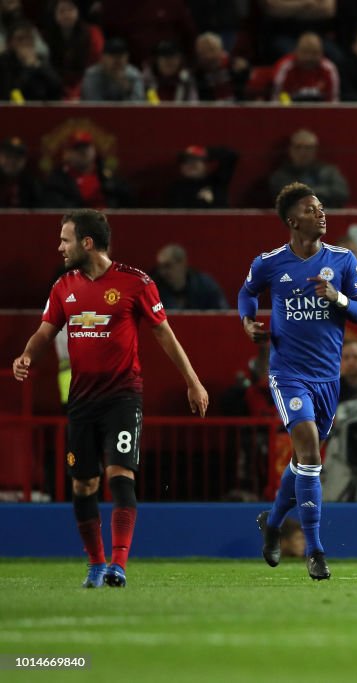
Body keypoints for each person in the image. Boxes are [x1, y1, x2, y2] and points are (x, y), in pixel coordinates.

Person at [12, 209, 209, 588]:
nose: (59, 247)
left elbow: (164, 334)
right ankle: (96, 564)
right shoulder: (63, 286)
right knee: (83, 486)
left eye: (65, 239)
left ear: (87, 243)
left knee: (120, 477)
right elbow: (44, 331)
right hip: (81, 403)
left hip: (122, 398)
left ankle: (118, 564)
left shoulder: (135, 282)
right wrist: (26, 355)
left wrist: (193, 381)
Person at [242, 182, 357, 580]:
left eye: (321, 207)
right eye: (312, 209)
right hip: (288, 374)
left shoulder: (344, 261)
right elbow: (247, 292)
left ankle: (275, 522)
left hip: (327, 379)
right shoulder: (271, 262)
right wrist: (247, 322)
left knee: (303, 462)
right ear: (292, 221)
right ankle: (316, 551)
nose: (321, 214)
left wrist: (338, 298)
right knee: (310, 452)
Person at [41, 130, 134, 209]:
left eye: (86, 147)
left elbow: (126, 202)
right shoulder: (57, 181)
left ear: (94, 150)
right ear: (66, 154)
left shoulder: (108, 177)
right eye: (77, 149)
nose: (83, 152)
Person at [269, 129, 350, 209]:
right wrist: (321, 193)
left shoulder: (329, 172)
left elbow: (341, 194)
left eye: (308, 148)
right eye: (298, 147)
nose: (303, 152)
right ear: (290, 150)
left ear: (315, 150)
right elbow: (286, 199)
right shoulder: (280, 176)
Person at [42, 0, 104, 97]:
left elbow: (96, 64)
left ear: (78, 12)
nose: (66, 14)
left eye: (70, 9)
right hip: (57, 85)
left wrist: (77, 92)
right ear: (54, 14)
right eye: (62, 11)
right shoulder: (46, 36)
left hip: (86, 82)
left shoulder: (93, 33)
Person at [152, 243, 229, 310]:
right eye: (160, 267)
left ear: (182, 263)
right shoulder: (154, 288)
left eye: (168, 266)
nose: (163, 272)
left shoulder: (205, 286)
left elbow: (222, 314)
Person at [0, 20, 63, 101]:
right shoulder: (4, 61)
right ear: (10, 42)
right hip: (15, 109)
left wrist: (38, 66)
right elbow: (11, 93)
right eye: (20, 39)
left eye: (29, 38)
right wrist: (28, 68)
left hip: (42, 107)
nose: (26, 42)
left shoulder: (40, 59)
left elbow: (57, 86)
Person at [271, 32, 340, 103]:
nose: (309, 57)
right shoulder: (285, 67)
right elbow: (278, 97)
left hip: (320, 112)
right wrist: (289, 106)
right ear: (296, 51)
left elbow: (333, 101)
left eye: (314, 53)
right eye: (305, 52)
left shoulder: (329, 69)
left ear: (321, 53)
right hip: (290, 110)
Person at [166, 144, 238, 209]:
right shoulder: (177, 189)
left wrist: (206, 152)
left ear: (206, 165)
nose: (190, 165)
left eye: (195, 161)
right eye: (186, 162)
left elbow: (231, 156)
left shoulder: (217, 181)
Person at [80, 37, 145, 102]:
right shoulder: (92, 75)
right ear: (102, 58)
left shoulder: (133, 75)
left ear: (127, 58)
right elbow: (93, 105)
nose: (117, 60)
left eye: (120, 56)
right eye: (112, 56)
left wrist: (127, 90)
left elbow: (138, 104)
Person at [194, 31, 249, 102]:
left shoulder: (234, 66)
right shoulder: (197, 74)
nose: (208, 55)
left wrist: (245, 67)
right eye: (203, 50)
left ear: (220, 50)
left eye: (211, 49)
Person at [0, 135, 40, 208]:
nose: (12, 161)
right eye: (8, 156)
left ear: (24, 160)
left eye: (16, 157)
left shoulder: (32, 184)